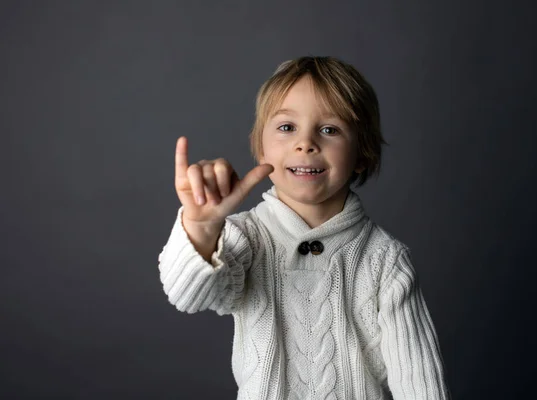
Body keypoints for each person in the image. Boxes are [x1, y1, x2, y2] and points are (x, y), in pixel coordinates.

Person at [158, 56, 451, 399]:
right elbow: (187, 295)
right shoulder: (246, 238)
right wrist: (201, 226)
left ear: (362, 152)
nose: (306, 143)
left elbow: (419, 381)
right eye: (286, 127)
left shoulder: (385, 259)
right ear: (261, 144)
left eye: (329, 129)